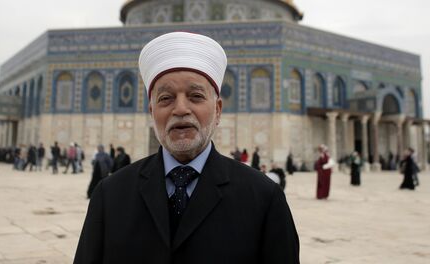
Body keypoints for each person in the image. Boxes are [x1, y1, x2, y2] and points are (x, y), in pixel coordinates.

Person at [75, 32, 299, 264]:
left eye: (195, 96)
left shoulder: (264, 198)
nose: (180, 109)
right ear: (151, 112)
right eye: (166, 98)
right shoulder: (111, 196)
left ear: (218, 110)